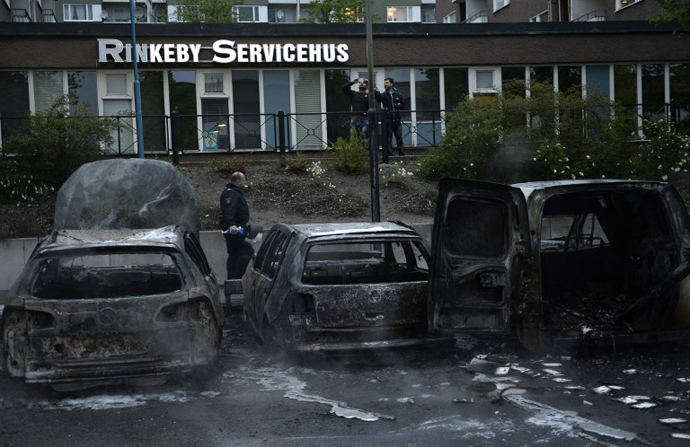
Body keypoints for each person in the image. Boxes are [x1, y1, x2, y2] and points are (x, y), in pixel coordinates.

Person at [220, 171, 254, 280]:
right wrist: (232, 225)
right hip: (235, 229)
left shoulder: (235, 192)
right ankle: (237, 279)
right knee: (246, 251)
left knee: (234, 253)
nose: (244, 182)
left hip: (237, 228)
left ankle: (232, 280)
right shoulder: (231, 193)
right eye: (243, 180)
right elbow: (228, 210)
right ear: (238, 181)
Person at [375, 77, 405, 156]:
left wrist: (399, 105)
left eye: (387, 83)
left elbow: (403, 106)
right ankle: (389, 155)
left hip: (397, 119)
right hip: (387, 120)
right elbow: (378, 100)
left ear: (391, 84)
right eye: (384, 83)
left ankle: (401, 154)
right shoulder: (383, 95)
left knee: (399, 137)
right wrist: (376, 92)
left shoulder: (398, 94)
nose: (385, 84)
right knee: (388, 138)